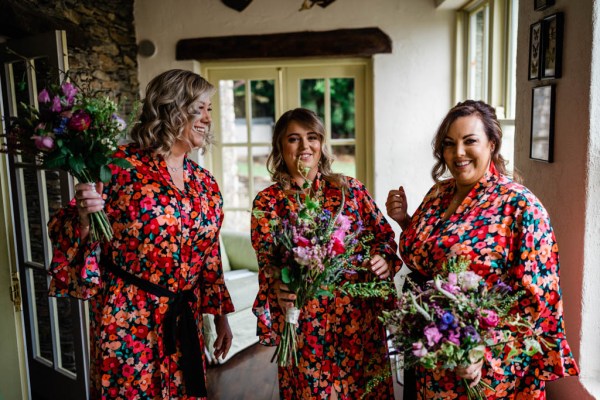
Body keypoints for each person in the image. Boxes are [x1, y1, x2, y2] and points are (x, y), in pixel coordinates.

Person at [47, 69, 234, 399]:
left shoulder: (205, 183)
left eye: (209, 109)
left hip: (183, 319)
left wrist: (220, 319)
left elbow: (209, 256)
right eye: (200, 108)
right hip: (128, 317)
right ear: (172, 107)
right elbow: (63, 231)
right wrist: (85, 217)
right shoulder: (119, 165)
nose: (208, 118)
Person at [386, 100, 579, 399]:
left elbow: (537, 299)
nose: (458, 152)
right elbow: (426, 258)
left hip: (483, 367)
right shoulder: (439, 193)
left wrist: (483, 349)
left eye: (469, 141)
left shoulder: (520, 206)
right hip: (434, 354)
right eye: (449, 144)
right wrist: (405, 221)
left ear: (492, 143)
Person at [251, 108, 401, 400]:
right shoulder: (268, 202)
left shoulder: (350, 189)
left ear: (321, 143)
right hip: (305, 323)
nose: (305, 146)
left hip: (358, 319)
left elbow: (383, 237)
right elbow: (268, 265)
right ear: (281, 147)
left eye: (312, 137)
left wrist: (383, 258)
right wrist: (278, 287)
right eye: (294, 139)